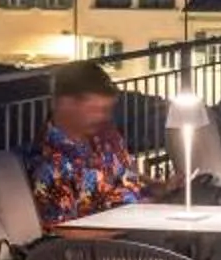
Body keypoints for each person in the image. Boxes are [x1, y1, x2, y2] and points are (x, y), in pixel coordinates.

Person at [25, 60, 145, 227]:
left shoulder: (105, 136)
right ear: (66, 104)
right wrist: (134, 222)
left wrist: (161, 188)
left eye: (106, 110)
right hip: (112, 245)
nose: (103, 117)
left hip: (142, 223)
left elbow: (128, 177)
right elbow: (67, 233)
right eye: (95, 109)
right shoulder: (50, 164)